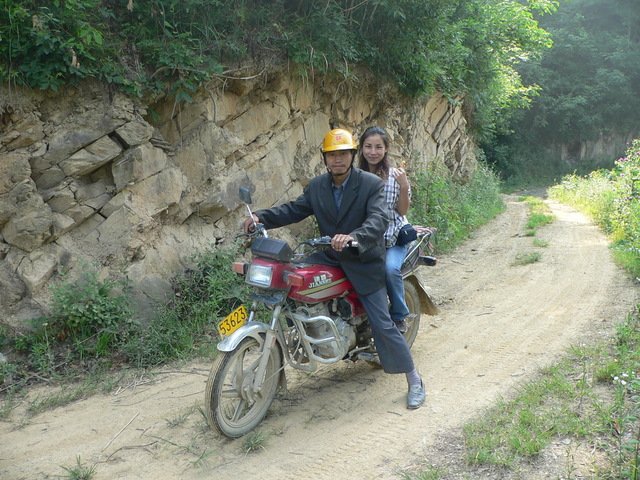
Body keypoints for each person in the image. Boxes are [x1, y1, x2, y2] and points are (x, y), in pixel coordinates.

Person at [243, 128, 426, 409]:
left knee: (382, 323)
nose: (337, 160)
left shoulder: (370, 184)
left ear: (352, 156)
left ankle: (414, 379)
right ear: (325, 158)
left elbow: (378, 219)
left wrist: (355, 236)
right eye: (332, 155)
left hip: (364, 260)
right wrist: (260, 218)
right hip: (331, 256)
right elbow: (293, 210)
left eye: (343, 154)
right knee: (293, 282)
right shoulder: (317, 186)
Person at [357, 126, 412, 333]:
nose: (373, 152)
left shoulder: (395, 176)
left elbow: (402, 210)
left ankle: (399, 315)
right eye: (368, 146)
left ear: (386, 148)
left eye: (378, 147)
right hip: (366, 239)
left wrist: (404, 185)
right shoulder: (354, 177)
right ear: (361, 148)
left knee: (390, 270)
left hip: (392, 238)